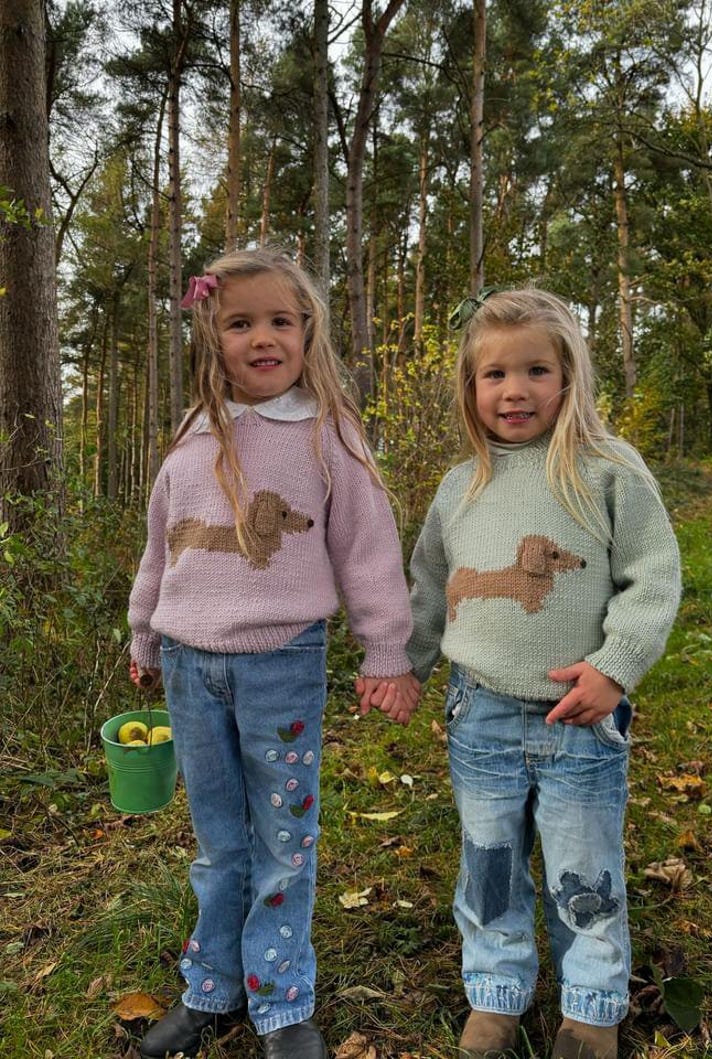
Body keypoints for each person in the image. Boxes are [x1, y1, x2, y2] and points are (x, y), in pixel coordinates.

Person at [363, 285, 681, 1059]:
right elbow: (431, 585)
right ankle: (498, 991)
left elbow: (654, 573)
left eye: (536, 370)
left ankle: (592, 1004)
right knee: (490, 855)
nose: (515, 390)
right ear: (471, 388)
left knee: (585, 861)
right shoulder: (460, 483)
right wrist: (403, 662)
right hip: (481, 714)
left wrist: (615, 668)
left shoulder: (605, 468)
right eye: (494, 374)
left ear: (568, 377)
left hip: (581, 714)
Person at [128, 246, 420, 1059]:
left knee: (284, 837)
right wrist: (142, 627)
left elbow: (368, 547)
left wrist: (385, 650)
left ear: (307, 332)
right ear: (211, 336)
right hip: (190, 665)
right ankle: (211, 987)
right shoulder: (193, 434)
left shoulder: (328, 433)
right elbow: (163, 543)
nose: (263, 336)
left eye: (281, 321)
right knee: (220, 838)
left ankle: (283, 1000)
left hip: (282, 661)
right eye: (240, 322)